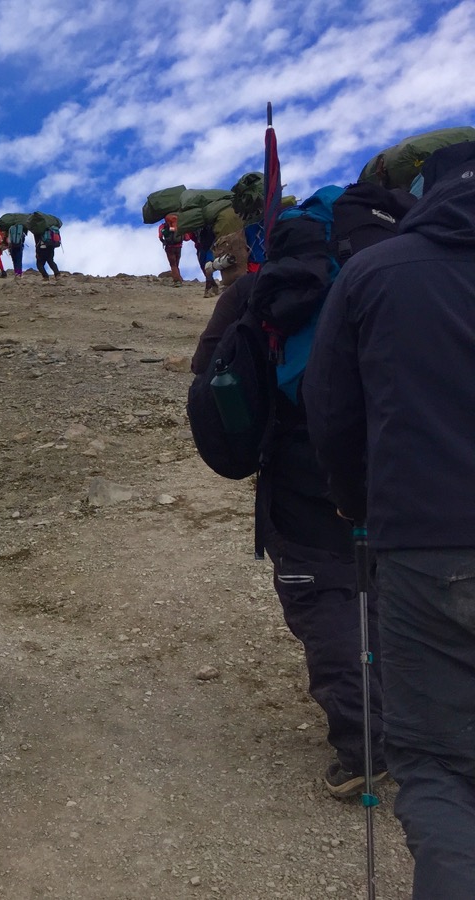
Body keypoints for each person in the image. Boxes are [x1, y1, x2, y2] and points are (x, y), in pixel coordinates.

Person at [306, 157, 475, 895]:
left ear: (424, 195)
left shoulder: (374, 273)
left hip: (422, 544)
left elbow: (331, 403)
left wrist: (355, 501)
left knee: (436, 763)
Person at [193, 270, 384, 801]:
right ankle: (426, 723)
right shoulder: (403, 266)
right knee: (397, 586)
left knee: (324, 596)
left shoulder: (265, 284)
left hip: (305, 466)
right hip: (407, 452)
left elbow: (208, 369)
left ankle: (365, 746)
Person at [191, 222, 219, 297]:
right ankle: (214, 286)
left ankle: (208, 289)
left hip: (202, 248)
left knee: (207, 267)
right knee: (207, 267)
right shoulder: (211, 224)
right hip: (210, 247)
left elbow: (191, 236)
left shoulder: (196, 225)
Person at [160, 213, 187, 284]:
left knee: (173, 265)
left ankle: (177, 281)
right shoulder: (180, 226)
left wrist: (163, 241)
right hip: (179, 247)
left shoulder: (163, 226)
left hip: (169, 247)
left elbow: (160, 236)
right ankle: (179, 278)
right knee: (176, 264)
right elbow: (187, 238)